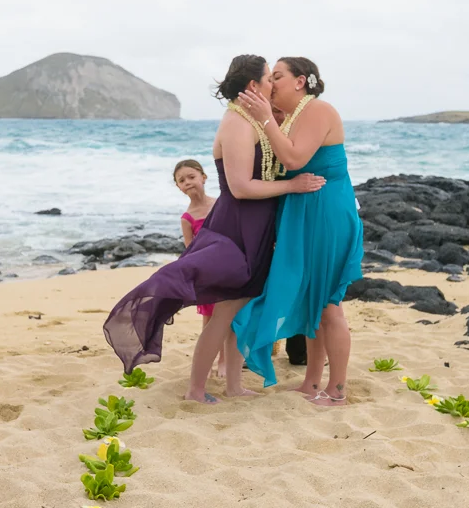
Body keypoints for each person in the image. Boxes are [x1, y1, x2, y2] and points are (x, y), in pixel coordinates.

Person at [103, 54, 325, 403]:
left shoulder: (253, 119)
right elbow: (240, 187)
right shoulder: (236, 123)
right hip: (238, 227)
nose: (273, 84)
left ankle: (234, 385)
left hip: (257, 227)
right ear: (253, 85)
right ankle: (195, 390)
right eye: (269, 79)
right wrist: (292, 187)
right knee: (224, 313)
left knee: (239, 311)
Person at [232, 57, 363, 407]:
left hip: (326, 212)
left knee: (328, 303)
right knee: (312, 298)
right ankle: (311, 381)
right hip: (304, 210)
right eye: (269, 77)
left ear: (301, 81)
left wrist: (264, 119)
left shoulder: (318, 110)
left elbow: (294, 160)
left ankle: (336, 390)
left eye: (278, 76)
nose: (271, 84)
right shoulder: (292, 117)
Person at [173, 158, 220, 374]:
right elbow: (189, 250)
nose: (188, 182)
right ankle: (207, 362)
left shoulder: (220, 204)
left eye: (191, 177)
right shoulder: (187, 218)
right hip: (206, 273)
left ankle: (224, 362)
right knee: (209, 320)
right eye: (182, 180)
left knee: (229, 319)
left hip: (227, 268)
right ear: (178, 187)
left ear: (204, 177)